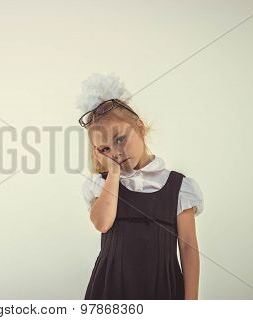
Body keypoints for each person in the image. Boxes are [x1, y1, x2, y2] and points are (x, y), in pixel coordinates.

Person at [78, 73, 204, 300]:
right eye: (105, 149)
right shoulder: (103, 185)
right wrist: (114, 173)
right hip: (110, 290)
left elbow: (188, 249)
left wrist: (190, 304)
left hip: (162, 289)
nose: (115, 152)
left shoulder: (179, 188)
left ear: (140, 128)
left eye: (119, 139)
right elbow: (102, 223)